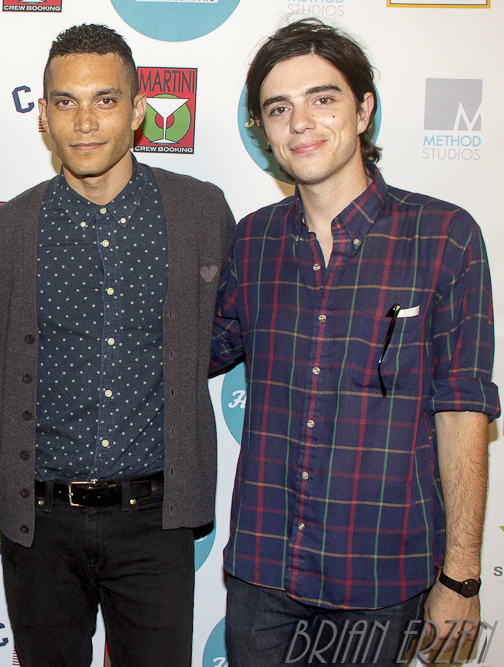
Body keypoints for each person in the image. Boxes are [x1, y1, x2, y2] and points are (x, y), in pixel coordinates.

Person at [212, 19, 499, 667]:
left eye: (323, 98)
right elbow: (189, 349)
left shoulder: (444, 237)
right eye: (278, 108)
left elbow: (462, 409)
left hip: (382, 578)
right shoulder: (252, 241)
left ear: (364, 109)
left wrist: (460, 577)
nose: (301, 122)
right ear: (263, 131)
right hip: (263, 572)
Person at [0, 24, 236, 666]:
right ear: (44, 116)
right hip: (39, 523)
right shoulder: (5, 232)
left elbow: (225, 334)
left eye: (105, 100)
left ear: (140, 109)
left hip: (155, 519)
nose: (84, 121)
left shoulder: (200, 213)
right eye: (65, 101)